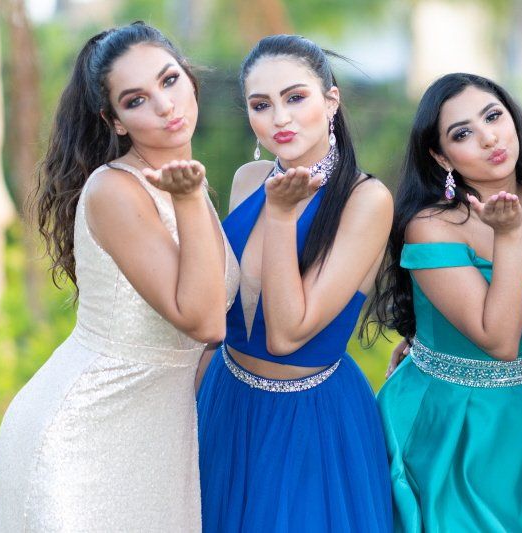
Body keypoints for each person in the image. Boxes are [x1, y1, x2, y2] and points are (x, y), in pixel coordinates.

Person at [0, 22, 238, 531]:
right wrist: (190, 200)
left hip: (159, 439)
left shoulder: (190, 185)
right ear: (116, 121)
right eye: (136, 99)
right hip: (84, 432)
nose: (165, 105)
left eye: (169, 81)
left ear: (189, 79)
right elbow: (207, 322)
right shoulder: (115, 190)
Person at [368, 72, 522, 532]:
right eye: (462, 133)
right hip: (446, 424)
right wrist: (508, 237)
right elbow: (501, 340)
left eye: (494, 116)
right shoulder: (432, 225)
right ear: (440, 155)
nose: (488, 137)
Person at [195, 35, 393, 532]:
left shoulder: (364, 200)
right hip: (225, 399)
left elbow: (287, 334)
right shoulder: (248, 178)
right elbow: (218, 305)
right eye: (261, 105)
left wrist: (281, 218)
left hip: (310, 419)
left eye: (295, 97)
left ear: (331, 101)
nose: (279, 117)